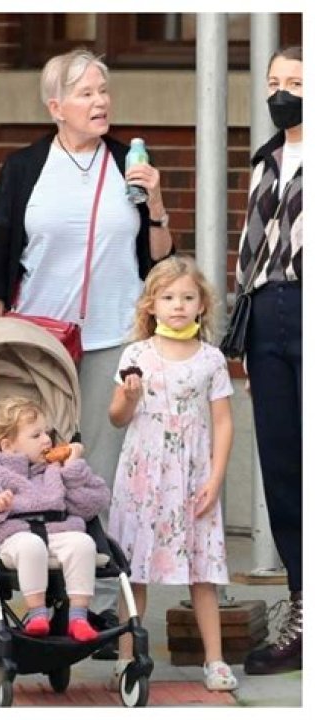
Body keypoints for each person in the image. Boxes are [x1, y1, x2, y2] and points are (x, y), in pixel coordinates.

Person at [0, 47, 174, 641]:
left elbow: (159, 259)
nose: (100, 102)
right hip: (40, 340)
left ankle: (96, 603)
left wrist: (156, 202)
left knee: (97, 473)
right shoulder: (24, 167)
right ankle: (30, 594)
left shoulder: (127, 163)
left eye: (103, 91)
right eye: (86, 93)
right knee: (31, 463)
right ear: (55, 105)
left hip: (116, 335)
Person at [107, 255, 237, 692]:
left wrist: (215, 479)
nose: (178, 305)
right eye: (167, 298)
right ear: (151, 305)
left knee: (203, 569)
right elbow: (116, 418)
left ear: (202, 304)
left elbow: (223, 422)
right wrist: (129, 397)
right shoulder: (136, 355)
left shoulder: (212, 360)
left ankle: (215, 660)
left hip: (193, 476)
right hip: (144, 477)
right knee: (135, 569)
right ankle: (126, 657)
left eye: (187, 297)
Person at [238, 46, 302, 676]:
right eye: (275, 81)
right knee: (282, 471)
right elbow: (251, 251)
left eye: (297, 83)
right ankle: (302, 607)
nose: (282, 93)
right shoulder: (265, 161)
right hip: (266, 314)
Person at [0, 397, 110, 642]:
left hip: (55, 532)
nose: (47, 440)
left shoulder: (55, 469)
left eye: (47, 432)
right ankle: (37, 615)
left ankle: (78, 617)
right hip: (13, 537)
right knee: (30, 545)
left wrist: (73, 469)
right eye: (36, 435)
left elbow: (92, 503)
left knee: (83, 543)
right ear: (8, 446)